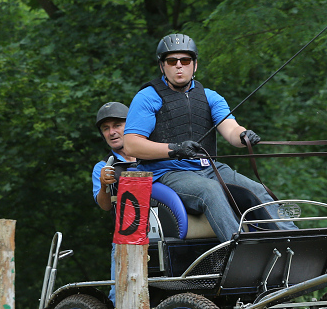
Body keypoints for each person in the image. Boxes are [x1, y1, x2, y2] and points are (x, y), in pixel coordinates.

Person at [123, 33, 295, 242]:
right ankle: (239, 248)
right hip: (168, 172)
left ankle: (293, 239)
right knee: (210, 191)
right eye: (172, 61)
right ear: (162, 66)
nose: (179, 66)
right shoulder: (147, 97)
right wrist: (174, 149)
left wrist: (243, 136)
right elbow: (131, 145)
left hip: (210, 168)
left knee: (256, 189)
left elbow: (230, 130)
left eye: (185, 60)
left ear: (194, 65)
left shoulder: (210, 96)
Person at [91, 102, 137, 304]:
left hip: (167, 236)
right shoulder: (103, 166)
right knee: (119, 298)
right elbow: (104, 205)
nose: (112, 132)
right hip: (126, 241)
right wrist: (103, 186)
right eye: (106, 128)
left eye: (117, 125)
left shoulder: (152, 155)